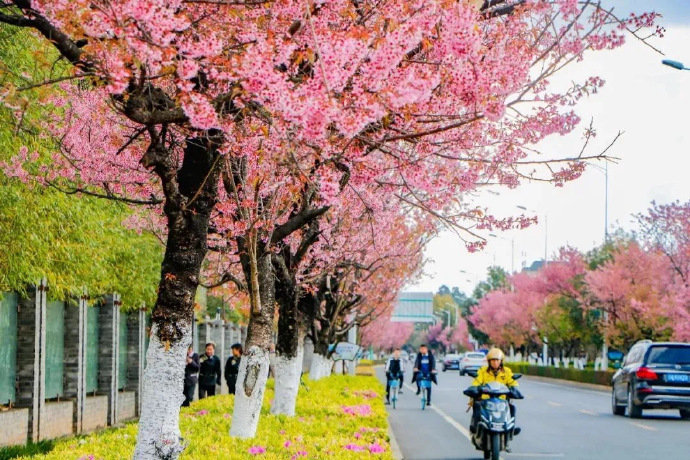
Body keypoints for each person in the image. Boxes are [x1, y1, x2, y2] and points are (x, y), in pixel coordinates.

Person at [468, 347, 520, 435]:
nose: (495, 363)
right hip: (485, 400)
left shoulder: (507, 371)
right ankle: (475, 427)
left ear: (501, 361)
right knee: (476, 405)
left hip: (502, 401)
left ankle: (512, 428)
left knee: (512, 408)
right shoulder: (483, 371)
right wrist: (474, 388)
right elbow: (477, 381)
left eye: (497, 360)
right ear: (489, 361)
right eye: (493, 360)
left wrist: (514, 389)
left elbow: (512, 382)